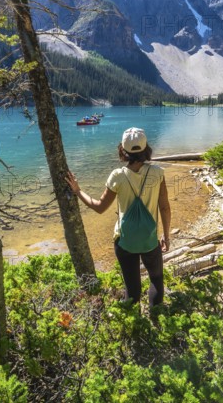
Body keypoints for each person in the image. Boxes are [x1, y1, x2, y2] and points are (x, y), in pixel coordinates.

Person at [66, 127, 171, 308]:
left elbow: (99, 207)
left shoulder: (117, 176)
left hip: (124, 242)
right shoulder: (157, 173)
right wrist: (166, 236)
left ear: (123, 150)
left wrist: (78, 191)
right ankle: (157, 317)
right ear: (146, 148)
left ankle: (132, 325)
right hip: (149, 240)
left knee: (132, 288)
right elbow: (165, 207)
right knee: (156, 280)